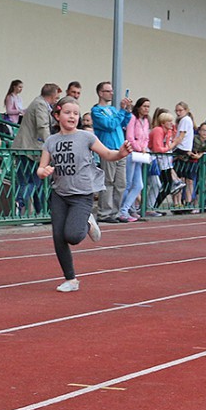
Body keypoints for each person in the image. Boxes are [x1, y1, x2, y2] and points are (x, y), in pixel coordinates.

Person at [38, 97, 131, 292]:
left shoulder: (86, 137)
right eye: (67, 112)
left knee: (72, 236)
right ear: (57, 115)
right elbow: (41, 168)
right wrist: (44, 171)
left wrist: (120, 153)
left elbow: (107, 154)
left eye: (75, 113)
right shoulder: (51, 141)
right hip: (59, 194)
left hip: (82, 193)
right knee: (58, 237)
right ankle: (71, 279)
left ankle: (88, 222)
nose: (72, 116)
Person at [11, 83, 60, 215]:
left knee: (31, 182)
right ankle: (19, 204)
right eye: (57, 96)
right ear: (53, 95)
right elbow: (42, 126)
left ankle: (37, 210)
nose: (58, 98)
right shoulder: (40, 105)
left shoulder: (41, 104)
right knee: (30, 181)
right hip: (28, 149)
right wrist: (52, 145)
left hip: (28, 148)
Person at [91, 81, 133, 222]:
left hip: (120, 150)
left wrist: (126, 111)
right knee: (108, 182)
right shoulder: (96, 111)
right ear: (100, 93)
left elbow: (123, 123)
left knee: (121, 183)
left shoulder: (114, 110)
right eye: (108, 91)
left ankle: (115, 212)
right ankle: (104, 213)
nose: (111, 93)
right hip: (108, 150)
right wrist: (121, 111)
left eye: (111, 91)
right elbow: (109, 125)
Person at [119, 97, 150, 222]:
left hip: (140, 154)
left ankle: (127, 208)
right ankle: (123, 210)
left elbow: (146, 137)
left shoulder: (146, 121)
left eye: (148, 106)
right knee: (128, 183)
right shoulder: (133, 118)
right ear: (139, 107)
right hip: (132, 153)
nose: (147, 109)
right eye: (144, 106)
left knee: (138, 185)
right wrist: (138, 147)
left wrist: (144, 147)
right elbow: (130, 137)